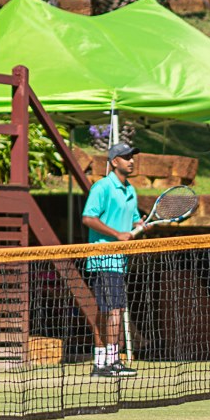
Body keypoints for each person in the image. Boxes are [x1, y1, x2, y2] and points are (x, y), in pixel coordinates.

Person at [81, 142, 141, 379]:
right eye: (126, 157)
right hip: (103, 259)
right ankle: (104, 363)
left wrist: (138, 225)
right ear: (114, 162)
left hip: (120, 261)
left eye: (132, 156)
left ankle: (109, 361)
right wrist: (117, 235)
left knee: (114, 310)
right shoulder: (102, 187)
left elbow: (133, 220)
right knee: (111, 311)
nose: (131, 161)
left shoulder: (131, 191)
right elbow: (88, 218)